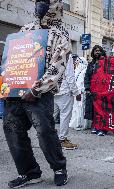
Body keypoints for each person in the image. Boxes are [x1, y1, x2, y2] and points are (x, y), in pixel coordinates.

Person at [3, 0, 70, 188]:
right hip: (15, 92)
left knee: (45, 132)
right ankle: (29, 172)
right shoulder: (26, 29)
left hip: (40, 93)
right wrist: (7, 83)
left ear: (54, 7)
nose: (40, 5)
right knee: (12, 130)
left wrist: (36, 90)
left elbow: (57, 67)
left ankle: (59, 168)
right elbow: (13, 58)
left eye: (45, 2)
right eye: (38, 1)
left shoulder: (60, 35)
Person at [53, 54, 81, 150]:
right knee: (65, 116)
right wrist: (76, 92)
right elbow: (69, 76)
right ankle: (62, 139)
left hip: (53, 90)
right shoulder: (66, 56)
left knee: (50, 116)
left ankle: (49, 139)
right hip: (64, 91)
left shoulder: (51, 53)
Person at [84, 45, 107, 136]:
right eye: (95, 51)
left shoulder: (106, 62)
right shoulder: (91, 64)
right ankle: (95, 126)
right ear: (93, 53)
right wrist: (87, 88)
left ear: (102, 52)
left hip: (103, 90)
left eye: (99, 50)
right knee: (94, 109)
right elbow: (87, 77)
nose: (97, 52)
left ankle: (103, 128)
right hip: (93, 90)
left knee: (102, 109)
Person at [69, 56, 88, 131]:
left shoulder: (84, 70)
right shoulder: (77, 69)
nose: (76, 62)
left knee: (80, 108)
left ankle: (80, 124)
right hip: (76, 92)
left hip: (81, 92)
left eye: (77, 60)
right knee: (76, 108)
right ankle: (76, 122)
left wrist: (80, 92)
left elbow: (82, 83)